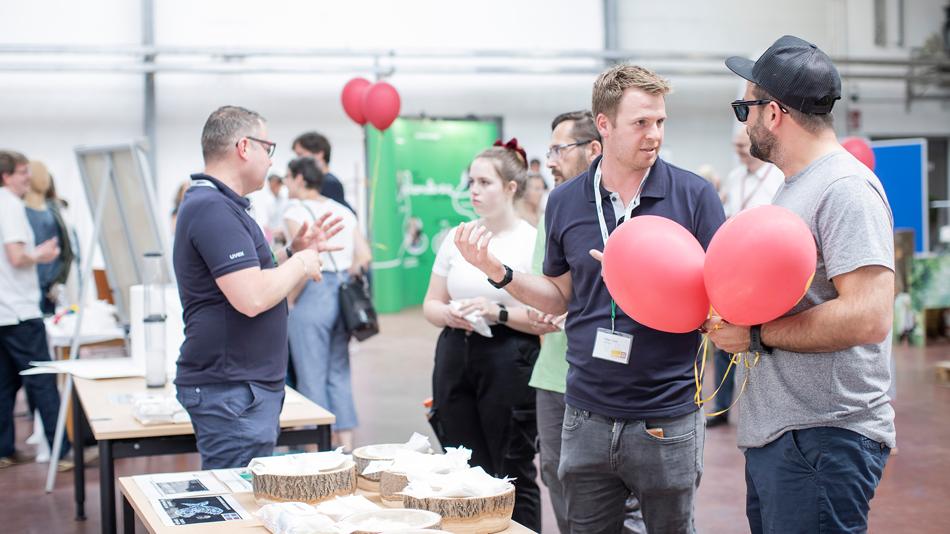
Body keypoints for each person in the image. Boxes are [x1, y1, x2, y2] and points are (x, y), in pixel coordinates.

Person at [455, 65, 725, 533]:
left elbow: (717, 297)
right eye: (641, 123)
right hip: (586, 415)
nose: (654, 134)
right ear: (604, 124)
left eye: (660, 122)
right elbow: (558, 298)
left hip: (666, 414)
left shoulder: (694, 196)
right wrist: (498, 273)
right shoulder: (565, 202)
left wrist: (662, 284)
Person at [708, 35, 895, 534]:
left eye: (744, 107)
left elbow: (869, 315)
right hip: (788, 434)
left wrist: (755, 335)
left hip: (825, 437)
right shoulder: (797, 188)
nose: (742, 120)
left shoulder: (844, 189)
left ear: (773, 114)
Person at [173, 106, 341, 469]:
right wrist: (300, 263)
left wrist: (292, 250)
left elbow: (245, 275)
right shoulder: (213, 208)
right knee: (235, 505)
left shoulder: (219, 205)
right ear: (244, 147)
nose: (271, 161)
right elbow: (251, 297)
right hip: (231, 387)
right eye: (269, 148)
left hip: (238, 386)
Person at [422, 140, 555, 532]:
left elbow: (545, 316)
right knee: (461, 467)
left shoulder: (531, 242)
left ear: (511, 188)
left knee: (510, 470)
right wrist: (448, 312)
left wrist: (496, 311)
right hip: (455, 352)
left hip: (509, 356)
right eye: (471, 182)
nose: (474, 191)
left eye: (485, 182)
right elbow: (430, 304)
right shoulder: (457, 237)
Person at [283, 156, 366, 453]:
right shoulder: (343, 210)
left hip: (312, 292)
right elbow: (364, 255)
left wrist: (290, 300)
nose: (286, 184)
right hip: (342, 294)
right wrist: (345, 276)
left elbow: (305, 259)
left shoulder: (294, 211)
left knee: (311, 374)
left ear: (300, 179)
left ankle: (314, 450)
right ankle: (346, 446)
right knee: (339, 371)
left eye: (288, 178)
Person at [707, 130, 785, 428]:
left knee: (761, 338)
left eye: (742, 144)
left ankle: (763, 408)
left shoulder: (777, 178)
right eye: (735, 145)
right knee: (724, 334)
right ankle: (722, 407)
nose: (739, 150)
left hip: (766, 270)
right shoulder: (734, 178)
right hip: (735, 268)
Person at [0, 150, 70, 469]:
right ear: (7, 175)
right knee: (41, 379)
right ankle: (64, 450)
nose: (28, 177)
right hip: (19, 310)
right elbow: (16, 256)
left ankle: (3, 450)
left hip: (4, 311)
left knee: (4, 383)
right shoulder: (11, 206)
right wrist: (40, 256)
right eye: (23, 172)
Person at [24, 161, 74, 316]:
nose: (44, 179)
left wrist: (60, 281)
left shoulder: (54, 211)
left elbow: (67, 250)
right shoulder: (18, 210)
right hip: (26, 285)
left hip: (50, 285)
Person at [291, 131, 353, 212]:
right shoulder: (326, 181)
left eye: (300, 154)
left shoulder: (329, 183)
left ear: (319, 154)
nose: (298, 160)